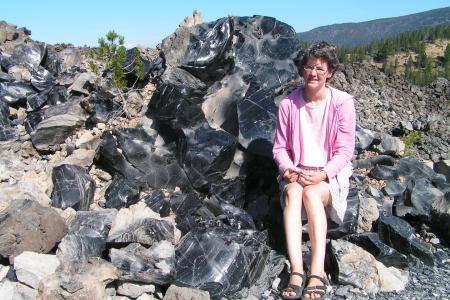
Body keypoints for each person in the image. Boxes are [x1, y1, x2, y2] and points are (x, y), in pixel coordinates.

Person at [273, 41, 356, 300]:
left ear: (330, 72)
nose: (314, 73)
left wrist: (323, 175)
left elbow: (345, 150)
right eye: (309, 67)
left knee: (311, 195)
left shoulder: (342, 103)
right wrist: (288, 169)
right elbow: (279, 148)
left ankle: (317, 270)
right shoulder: (289, 104)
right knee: (294, 194)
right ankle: (297, 270)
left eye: (321, 68)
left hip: (326, 175)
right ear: (303, 69)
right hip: (297, 172)